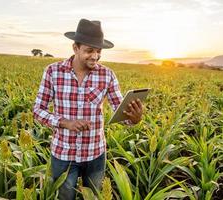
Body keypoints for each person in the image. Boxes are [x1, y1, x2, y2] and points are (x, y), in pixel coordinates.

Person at [33, 18, 143, 200]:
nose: (95, 56)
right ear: (75, 48)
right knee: (64, 197)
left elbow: (120, 111)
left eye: (98, 51)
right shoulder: (53, 71)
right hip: (63, 153)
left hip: (95, 153)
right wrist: (64, 123)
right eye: (89, 50)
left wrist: (134, 119)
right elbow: (38, 109)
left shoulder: (107, 75)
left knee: (93, 196)